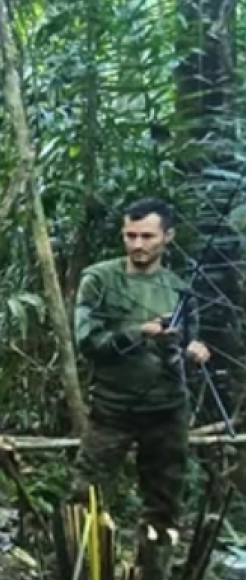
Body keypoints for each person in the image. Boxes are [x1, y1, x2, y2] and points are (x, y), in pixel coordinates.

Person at [71, 198, 209, 535]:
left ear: (167, 236)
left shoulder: (179, 289)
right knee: (85, 499)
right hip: (113, 407)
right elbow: (88, 342)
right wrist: (139, 332)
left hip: (167, 410)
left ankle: (154, 566)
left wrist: (195, 352)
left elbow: (187, 347)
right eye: (130, 235)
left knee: (164, 508)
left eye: (147, 236)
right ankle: (78, 566)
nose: (137, 244)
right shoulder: (100, 279)